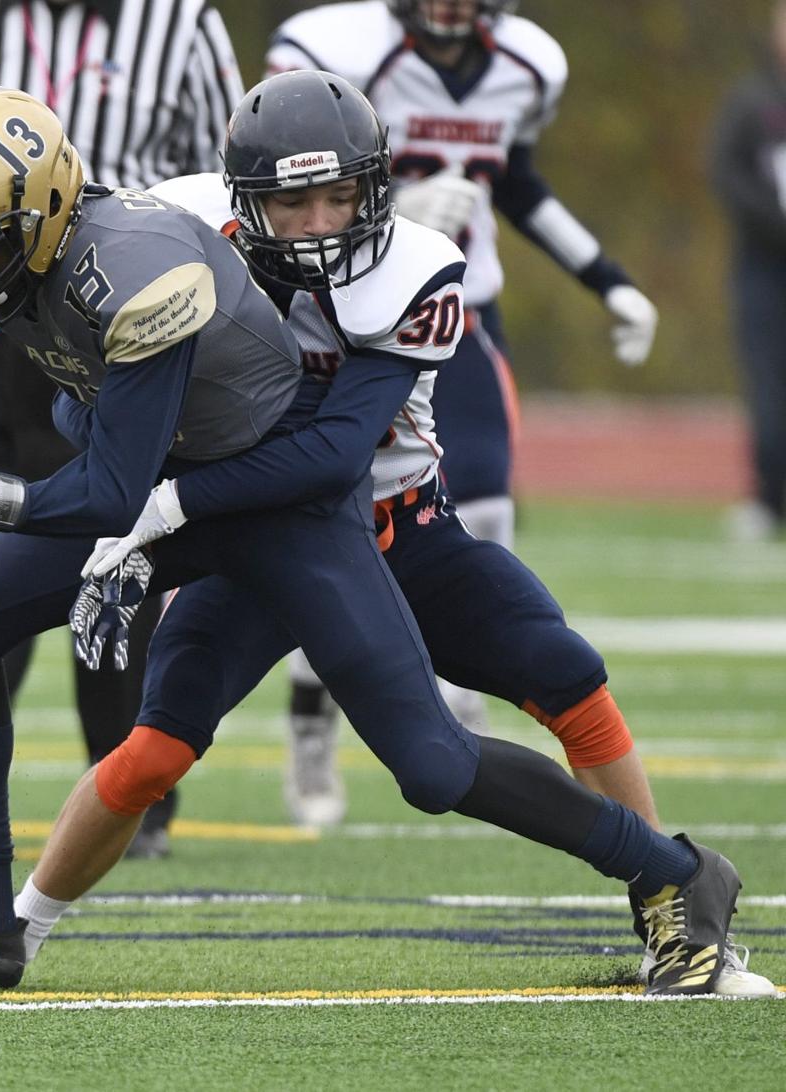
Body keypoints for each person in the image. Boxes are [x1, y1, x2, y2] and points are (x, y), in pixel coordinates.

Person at [0, 78, 765, 999]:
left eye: (337, 196)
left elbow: (328, 458)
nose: (317, 221)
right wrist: (143, 505)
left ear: (374, 186)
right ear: (240, 200)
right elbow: (93, 410)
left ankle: (675, 876)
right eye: (291, 201)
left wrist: (148, 515)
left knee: (460, 743)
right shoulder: (167, 228)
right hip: (206, 508)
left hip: (353, 514)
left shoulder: (408, 274)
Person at [0, 0, 247, 861]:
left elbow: (229, 165)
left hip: (123, 323)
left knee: (116, 542)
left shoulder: (178, 20)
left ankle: (129, 788)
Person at [262, 0, 661, 818]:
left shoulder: (526, 65)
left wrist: (607, 277)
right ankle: (312, 719)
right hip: (334, 312)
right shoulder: (336, 47)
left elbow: (512, 182)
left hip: (456, 309)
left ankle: (471, 706)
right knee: (325, 516)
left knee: (482, 502)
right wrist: (397, 212)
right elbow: (284, 184)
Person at [711, 0, 786, 542]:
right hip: (764, 266)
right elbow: (725, 171)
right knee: (768, 382)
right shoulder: (752, 101)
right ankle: (770, 495)